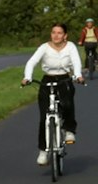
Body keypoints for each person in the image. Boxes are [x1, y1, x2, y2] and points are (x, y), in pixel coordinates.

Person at [21, 23, 84, 165]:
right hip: (47, 80)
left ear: (65, 35)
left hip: (64, 79)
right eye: (53, 32)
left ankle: (69, 130)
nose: (56, 35)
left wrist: (78, 75)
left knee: (67, 103)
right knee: (44, 118)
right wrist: (27, 77)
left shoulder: (70, 47)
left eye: (59, 33)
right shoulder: (44, 47)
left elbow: (76, 62)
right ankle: (43, 151)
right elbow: (32, 62)